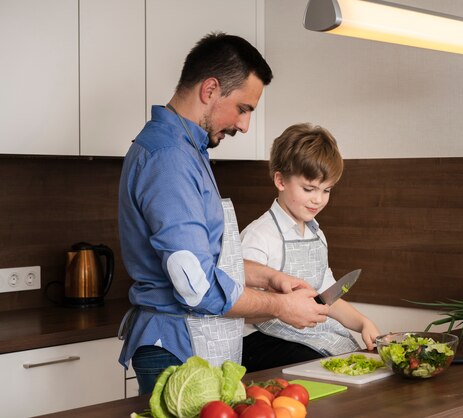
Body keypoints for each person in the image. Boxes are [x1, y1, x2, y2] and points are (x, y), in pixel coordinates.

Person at [117, 33, 329, 395]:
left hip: (191, 345)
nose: (244, 125)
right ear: (210, 89)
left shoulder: (188, 150)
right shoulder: (169, 158)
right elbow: (196, 287)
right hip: (177, 348)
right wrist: (280, 306)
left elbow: (205, 258)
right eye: (243, 108)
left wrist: (268, 277)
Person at [240, 123, 380, 372]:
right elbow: (240, 307)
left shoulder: (317, 234)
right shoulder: (258, 236)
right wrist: (282, 307)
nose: (318, 199)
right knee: (322, 366)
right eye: (309, 189)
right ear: (280, 180)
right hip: (262, 343)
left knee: (350, 357)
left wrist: (362, 323)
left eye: (326, 190)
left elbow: (327, 297)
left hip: (305, 336)